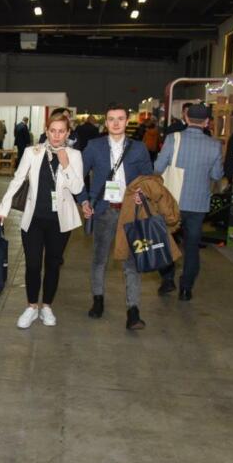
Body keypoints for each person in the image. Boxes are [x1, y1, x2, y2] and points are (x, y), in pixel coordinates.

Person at [0, 114, 85, 329]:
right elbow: (18, 179)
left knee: (53, 264)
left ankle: (46, 306)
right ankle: (31, 307)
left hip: (60, 222)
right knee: (33, 264)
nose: (56, 135)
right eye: (52, 130)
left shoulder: (74, 155)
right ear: (46, 131)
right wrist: (3, 207)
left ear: (68, 133)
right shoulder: (32, 152)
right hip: (34, 219)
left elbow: (77, 188)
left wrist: (66, 164)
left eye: (61, 131)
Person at [77, 103, 154, 330]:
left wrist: (143, 193)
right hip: (103, 210)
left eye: (120, 118)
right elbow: (78, 176)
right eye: (111, 119)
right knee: (99, 258)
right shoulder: (94, 146)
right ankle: (98, 299)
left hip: (130, 211)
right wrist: (84, 200)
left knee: (131, 262)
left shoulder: (138, 148)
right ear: (106, 122)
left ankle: (133, 311)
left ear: (127, 121)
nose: (116, 123)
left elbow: (148, 178)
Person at [154, 103, 223, 300]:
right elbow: (217, 175)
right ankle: (186, 288)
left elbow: (158, 168)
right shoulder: (214, 145)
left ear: (186, 118)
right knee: (192, 246)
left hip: (172, 201)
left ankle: (167, 280)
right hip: (198, 204)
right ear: (207, 122)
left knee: (167, 241)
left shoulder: (173, 139)